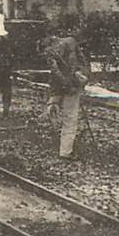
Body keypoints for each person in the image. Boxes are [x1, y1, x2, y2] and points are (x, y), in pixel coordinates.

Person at [44, 31, 89, 159]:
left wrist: (62, 83)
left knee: (55, 112)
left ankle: (56, 137)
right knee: (70, 119)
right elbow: (82, 65)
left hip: (57, 86)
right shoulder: (72, 44)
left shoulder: (50, 48)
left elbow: (54, 71)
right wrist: (76, 81)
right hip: (70, 87)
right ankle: (65, 151)